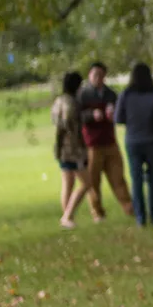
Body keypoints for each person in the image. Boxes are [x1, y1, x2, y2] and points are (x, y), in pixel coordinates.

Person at [77, 62, 134, 222]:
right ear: (89, 75)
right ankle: (97, 212)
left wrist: (112, 115)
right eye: (95, 75)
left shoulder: (111, 94)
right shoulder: (83, 94)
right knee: (93, 181)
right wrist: (91, 115)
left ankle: (129, 207)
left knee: (118, 177)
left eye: (101, 75)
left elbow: (120, 113)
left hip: (110, 141)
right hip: (92, 144)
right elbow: (78, 117)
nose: (98, 78)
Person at [115, 63, 153, 227]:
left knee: (136, 179)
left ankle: (140, 217)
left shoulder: (126, 95)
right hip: (152, 140)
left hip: (133, 140)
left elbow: (118, 118)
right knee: (152, 178)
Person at [51, 71, 88, 229]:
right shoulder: (72, 103)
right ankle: (67, 216)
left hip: (62, 149)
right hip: (73, 150)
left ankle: (67, 218)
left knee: (67, 183)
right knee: (86, 183)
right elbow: (72, 128)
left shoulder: (58, 101)